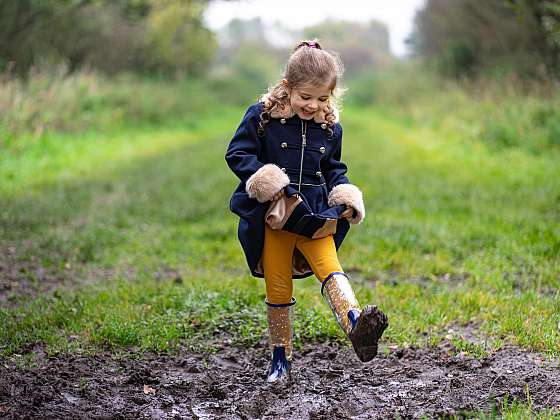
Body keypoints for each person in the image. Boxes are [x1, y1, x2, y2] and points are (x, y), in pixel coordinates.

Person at [225, 40, 388, 383]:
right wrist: (265, 179)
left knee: (330, 267)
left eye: (322, 98)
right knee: (279, 284)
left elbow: (334, 169)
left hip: (315, 214)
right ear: (287, 87)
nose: (314, 106)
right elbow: (237, 154)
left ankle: (357, 324)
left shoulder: (330, 127)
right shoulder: (262, 118)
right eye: (306, 97)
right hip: (276, 214)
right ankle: (279, 359)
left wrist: (345, 195)